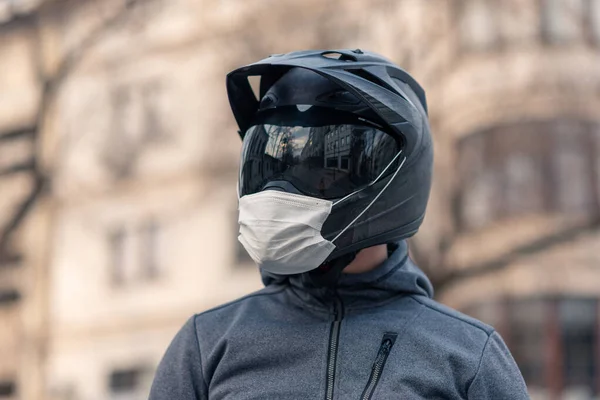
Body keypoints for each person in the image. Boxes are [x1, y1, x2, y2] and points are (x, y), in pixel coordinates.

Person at [149, 49, 529, 399]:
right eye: (273, 166)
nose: (282, 191)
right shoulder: (208, 344)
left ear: (394, 179)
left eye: (320, 172)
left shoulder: (466, 355)